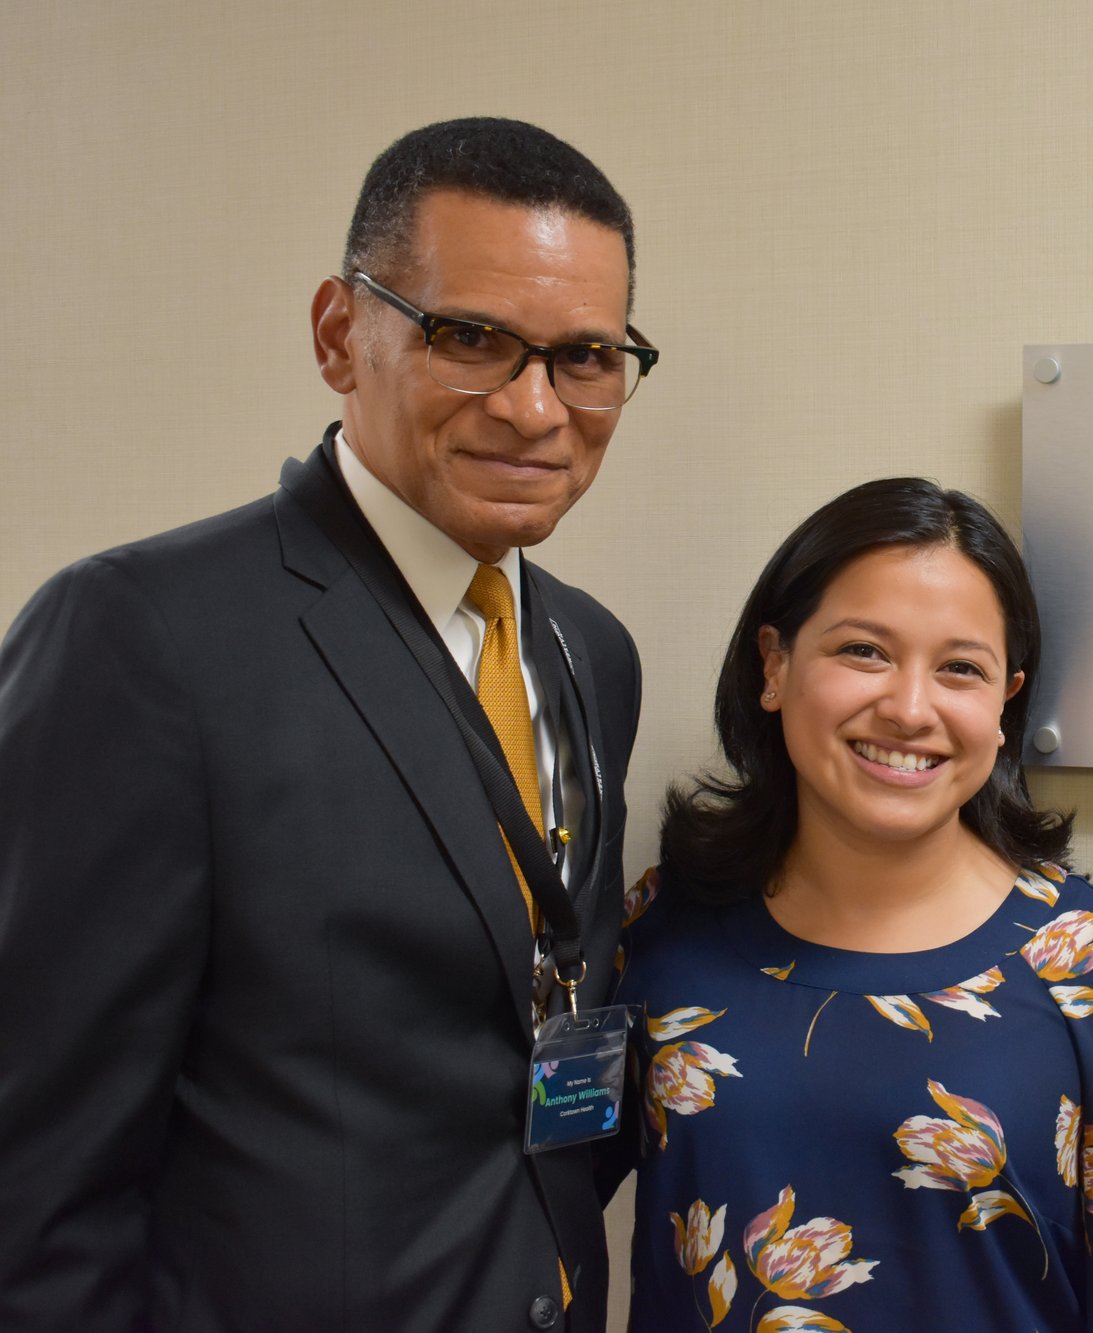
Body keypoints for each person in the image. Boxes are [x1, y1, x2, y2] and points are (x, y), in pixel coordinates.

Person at [0, 119, 655, 1332]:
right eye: (470, 338)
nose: (533, 406)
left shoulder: (589, 652)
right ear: (339, 334)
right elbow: (35, 1180)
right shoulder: (141, 639)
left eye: (585, 357)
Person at [610, 478, 1093, 1331]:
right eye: (864, 651)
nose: (907, 708)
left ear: (1006, 700)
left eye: (960, 669)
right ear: (775, 665)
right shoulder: (664, 924)